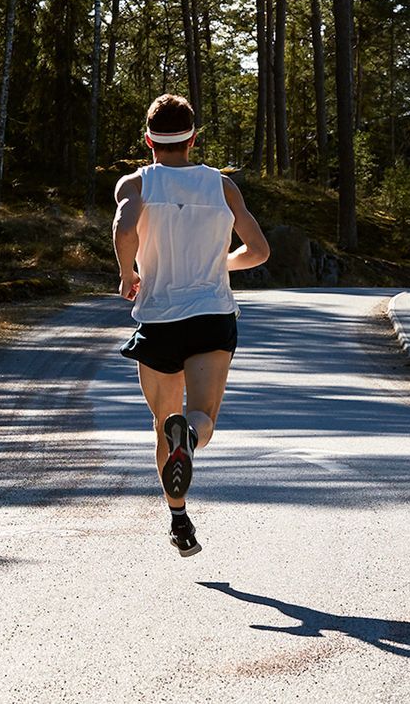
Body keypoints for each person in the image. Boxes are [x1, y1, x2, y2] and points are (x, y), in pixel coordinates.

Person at [112, 93, 269, 557]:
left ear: (148, 141)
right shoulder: (222, 186)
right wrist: (218, 263)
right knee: (203, 416)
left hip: (158, 318)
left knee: (164, 422)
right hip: (210, 315)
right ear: (193, 139)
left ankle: (179, 520)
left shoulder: (135, 183)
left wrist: (127, 273)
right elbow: (259, 251)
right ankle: (193, 437)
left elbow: (124, 226)